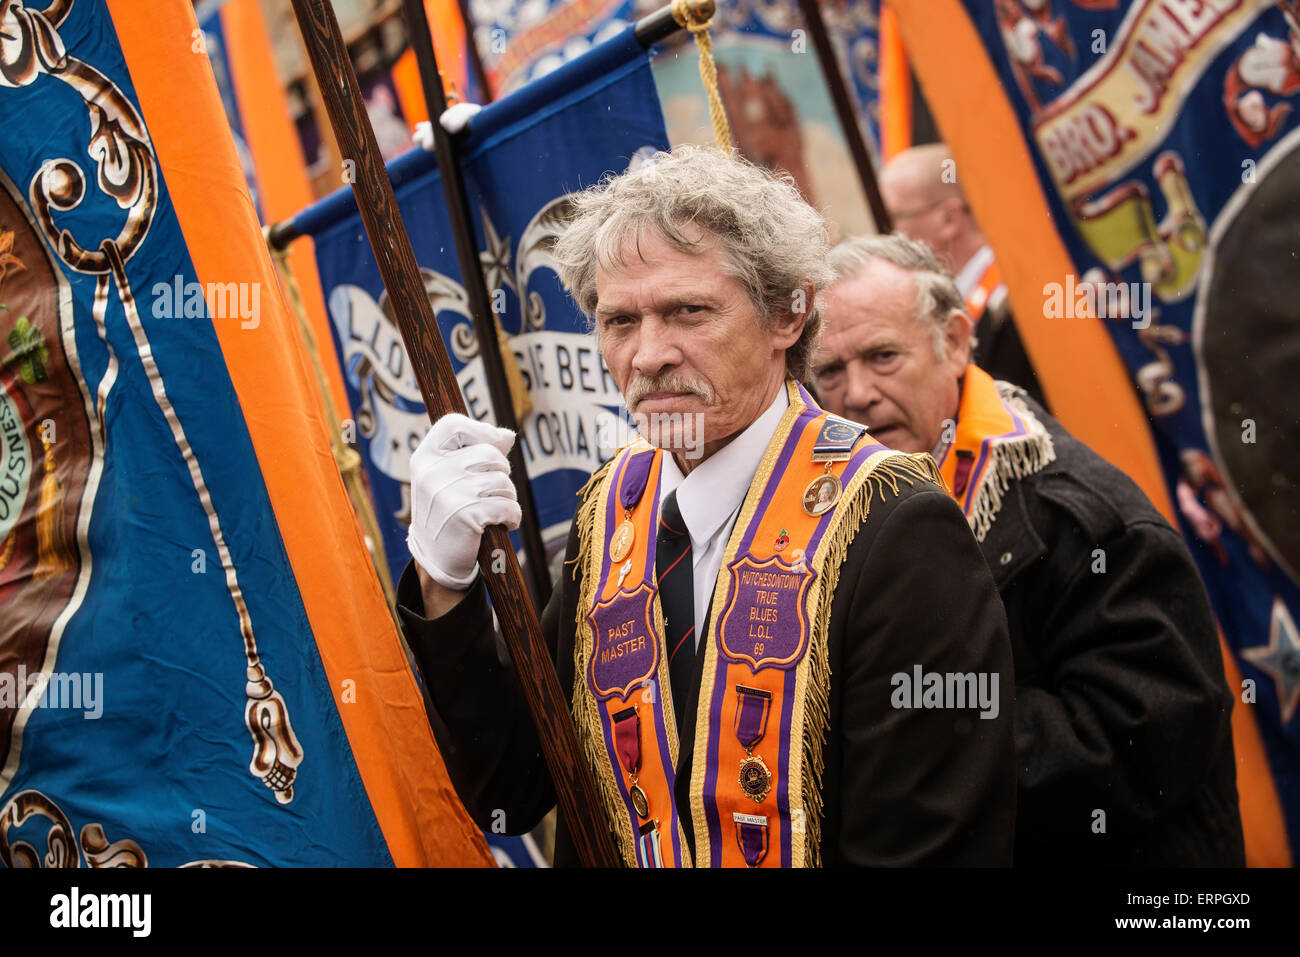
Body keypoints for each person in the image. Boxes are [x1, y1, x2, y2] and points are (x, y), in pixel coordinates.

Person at [397, 146, 1016, 867]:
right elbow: (510, 785)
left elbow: (928, 848)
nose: (649, 353)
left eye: (687, 311)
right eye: (619, 321)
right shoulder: (609, 512)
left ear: (789, 316)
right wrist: (447, 584)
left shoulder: (897, 524)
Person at [813, 234, 1245, 866]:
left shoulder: (1084, 517)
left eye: (883, 357)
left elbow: (1146, 738)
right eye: (830, 370)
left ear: (955, 343)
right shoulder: (839, 507)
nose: (856, 394)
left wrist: (911, 732)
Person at [880, 143, 1048, 408]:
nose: (887, 234)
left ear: (949, 219)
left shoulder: (1025, 298)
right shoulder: (950, 299)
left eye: (893, 218)